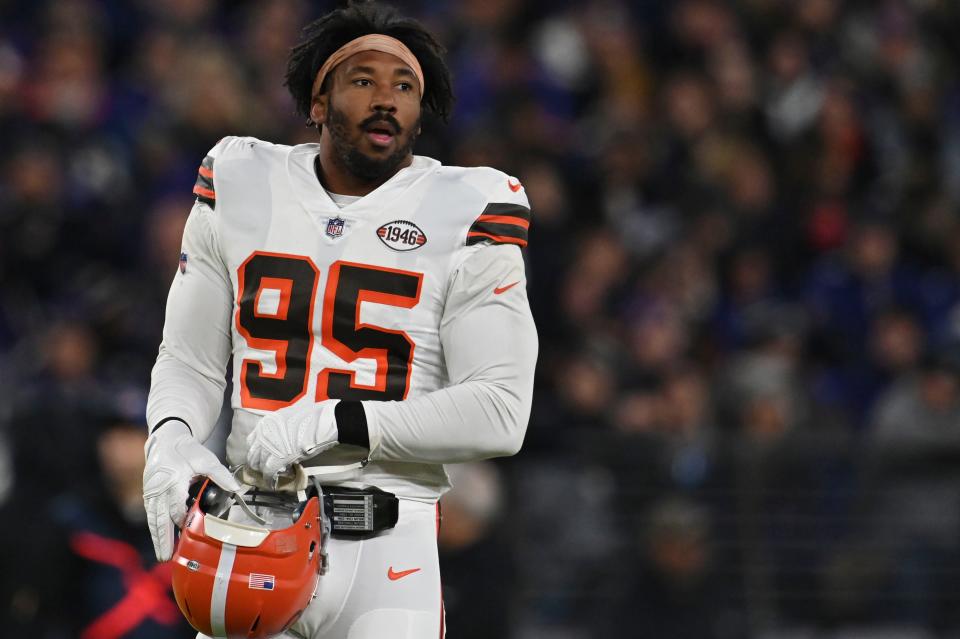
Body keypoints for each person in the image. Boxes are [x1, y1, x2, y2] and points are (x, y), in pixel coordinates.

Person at [141, 2, 538, 638]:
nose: (387, 100)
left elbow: (499, 412)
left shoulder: (469, 207)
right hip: (247, 535)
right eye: (363, 80)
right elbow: (189, 358)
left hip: (386, 548)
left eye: (404, 86)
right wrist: (169, 437)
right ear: (317, 102)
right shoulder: (243, 179)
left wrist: (335, 422)